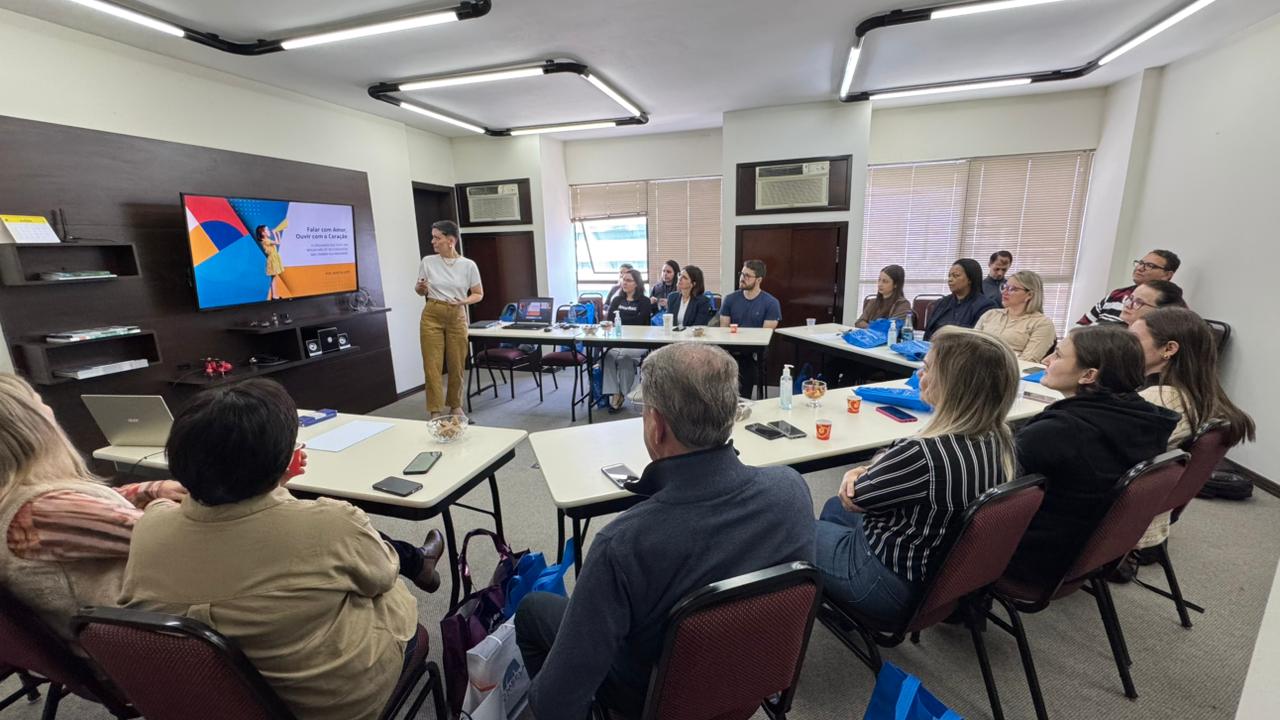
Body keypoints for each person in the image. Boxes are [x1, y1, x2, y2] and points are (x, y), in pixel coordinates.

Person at [515, 343, 814, 720]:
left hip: (652, 699)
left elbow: (554, 703)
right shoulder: (792, 491)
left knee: (532, 610)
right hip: (750, 680)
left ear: (656, 427)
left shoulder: (622, 544)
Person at [120, 380, 447, 720]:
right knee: (379, 583)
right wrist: (276, 487)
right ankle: (421, 564)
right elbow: (382, 576)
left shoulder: (150, 526)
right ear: (283, 459)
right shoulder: (330, 522)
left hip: (205, 704)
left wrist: (271, 484)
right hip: (329, 706)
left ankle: (418, 563)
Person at [814, 328, 1019, 625]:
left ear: (952, 384)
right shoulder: (1000, 439)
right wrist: (875, 468)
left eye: (927, 368)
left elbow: (855, 497)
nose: (919, 374)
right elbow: (885, 470)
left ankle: (834, 600)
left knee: (790, 529)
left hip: (887, 584)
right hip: (938, 580)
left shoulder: (925, 453)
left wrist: (857, 472)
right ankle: (837, 600)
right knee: (833, 508)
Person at [0, 374, 187, 645]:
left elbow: (90, 508)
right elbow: (172, 537)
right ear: (30, 427)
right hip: (151, 640)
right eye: (40, 402)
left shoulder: (24, 501)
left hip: (121, 635)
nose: (50, 409)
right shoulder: (44, 513)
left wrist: (152, 489)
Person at [1005, 325, 1178, 585]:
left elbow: (994, 481)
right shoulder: (1147, 418)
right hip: (1092, 551)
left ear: (1088, 375)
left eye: (1058, 355)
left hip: (1037, 557)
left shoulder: (1059, 432)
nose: (1046, 360)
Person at [1128, 308, 1255, 552]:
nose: (1125, 346)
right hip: (1150, 514)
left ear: (1169, 349)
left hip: (1118, 522)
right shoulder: (1203, 398)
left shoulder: (1158, 400)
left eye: (1133, 340)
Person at [416, 220, 483, 419]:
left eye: (437, 238)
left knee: (457, 363)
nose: (433, 242)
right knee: (432, 365)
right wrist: (421, 288)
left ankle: (456, 406)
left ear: (451, 240)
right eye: (433, 237)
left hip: (457, 314)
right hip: (432, 313)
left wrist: (463, 301)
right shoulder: (428, 261)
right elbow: (420, 290)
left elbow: (478, 293)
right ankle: (435, 411)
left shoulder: (468, 265)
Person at [719, 259, 782, 397]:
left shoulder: (771, 303)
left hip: (752, 352)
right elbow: (723, 330)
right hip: (730, 349)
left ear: (759, 280)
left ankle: (740, 401)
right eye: (742, 274)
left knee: (745, 366)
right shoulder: (730, 299)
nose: (742, 278)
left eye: (747, 275)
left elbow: (764, 337)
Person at [1077, 249, 1180, 325]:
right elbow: (1082, 324)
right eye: (1140, 263)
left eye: (1150, 266)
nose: (1140, 268)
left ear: (1167, 275)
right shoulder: (1117, 294)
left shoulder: (1170, 304)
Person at [974, 269, 1057, 362]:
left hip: (1012, 369)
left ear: (1029, 295)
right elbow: (971, 345)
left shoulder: (1042, 323)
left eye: (1012, 289)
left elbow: (1028, 360)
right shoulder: (990, 314)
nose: (1004, 292)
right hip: (977, 364)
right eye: (1005, 287)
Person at [603, 268, 656, 411]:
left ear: (636, 283)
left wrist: (621, 320)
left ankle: (622, 392)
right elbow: (610, 320)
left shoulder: (644, 301)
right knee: (608, 356)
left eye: (628, 280)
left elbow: (640, 321)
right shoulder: (617, 300)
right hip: (618, 341)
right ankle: (615, 393)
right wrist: (628, 319)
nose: (624, 283)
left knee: (624, 356)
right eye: (623, 280)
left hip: (638, 342)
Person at [922, 259, 997, 340]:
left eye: (956, 276)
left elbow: (979, 340)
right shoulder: (942, 303)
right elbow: (928, 333)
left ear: (970, 279)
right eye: (949, 276)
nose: (950, 279)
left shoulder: (986, 306)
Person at [854, 264, 910, 328]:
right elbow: (859, 322)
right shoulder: (873, 302)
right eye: (879, 280)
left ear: (896, 284)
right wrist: (873, 327)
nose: (880, 284)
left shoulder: (902, 304)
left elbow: (891, 327)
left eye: (885, 281)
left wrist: (870, 326)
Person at [1118, 279, 1186, 325]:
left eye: (1139, 302)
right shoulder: (1116, 331)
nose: (1128, 305)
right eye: (1130, 298)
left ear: (1161, 312)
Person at [666, 265, 714, 329]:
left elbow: (698, 327)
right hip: (673, 334)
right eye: (680, 275)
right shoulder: (672, 297)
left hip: (691, 335)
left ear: (693, 284)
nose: (680, 278)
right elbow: (669, 323)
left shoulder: (703, 302)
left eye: (684, 277)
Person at [256, 225, 288, 300]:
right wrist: (274, 233)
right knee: (273, 278)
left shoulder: (267, 240)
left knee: (274, 278)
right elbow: (276, 242)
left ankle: (274, 295)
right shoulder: (266, 241)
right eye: (267, 230)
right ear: (263, 233)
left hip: (274, 258)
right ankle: (274, 296)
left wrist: (277, 233)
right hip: (272, 260)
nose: (269, 231)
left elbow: (278, 242)